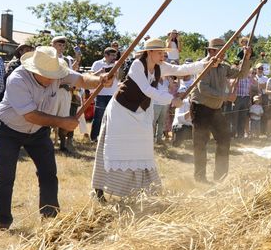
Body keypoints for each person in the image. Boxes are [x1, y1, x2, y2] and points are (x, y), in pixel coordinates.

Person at [0, 47, 107, 229]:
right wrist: (62, 122)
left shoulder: (57, 72)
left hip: (38, 131)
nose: (54, 79)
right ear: (35, 71)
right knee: (5, 175)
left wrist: (100, 80)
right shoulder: (17, 79)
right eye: (48, 75)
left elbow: (82, 79)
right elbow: (30, 115)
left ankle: (50, 219)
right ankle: (3, 222)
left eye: (55, 75)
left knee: (48, 174)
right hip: (9, 130)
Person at [91, 38, 206, 199]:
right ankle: (99, 189)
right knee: (114, 148)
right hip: (122, 111)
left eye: (163, 53)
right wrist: (171, 99)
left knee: (142, 149)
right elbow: (146, 90)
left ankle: (141, 191)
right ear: (149, 52)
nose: (162, 56)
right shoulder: (137, 65)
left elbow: (180, 69)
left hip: (140, 112)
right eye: (159, 53)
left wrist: (204, 64)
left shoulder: (160, 67)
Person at [188, 37, 245, 183]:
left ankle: (220, 177)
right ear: (212, 51)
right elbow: (204, 89)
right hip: (200, 108)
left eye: (225, 51)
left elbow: (241, 73)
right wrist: (226, 96)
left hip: (215, 109)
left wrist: (248, 57)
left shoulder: (223, 66)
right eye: (221, 51)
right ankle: (200, 178)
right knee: (200, 143)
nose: (224, 54)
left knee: (224, 138)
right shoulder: (203, 66)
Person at [88, 46, 120, 142]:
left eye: (115, 55)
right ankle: (94, 137)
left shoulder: (117, 64)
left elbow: (121, 78)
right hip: (100, 94)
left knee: (112, 118)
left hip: (113, 94)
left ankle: (108, 138)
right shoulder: (97, 63)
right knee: (98, 117)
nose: (114, 57)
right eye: (112, 55)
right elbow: (90, 77)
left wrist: (117, 69)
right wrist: (100, 72)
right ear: (106, 55)